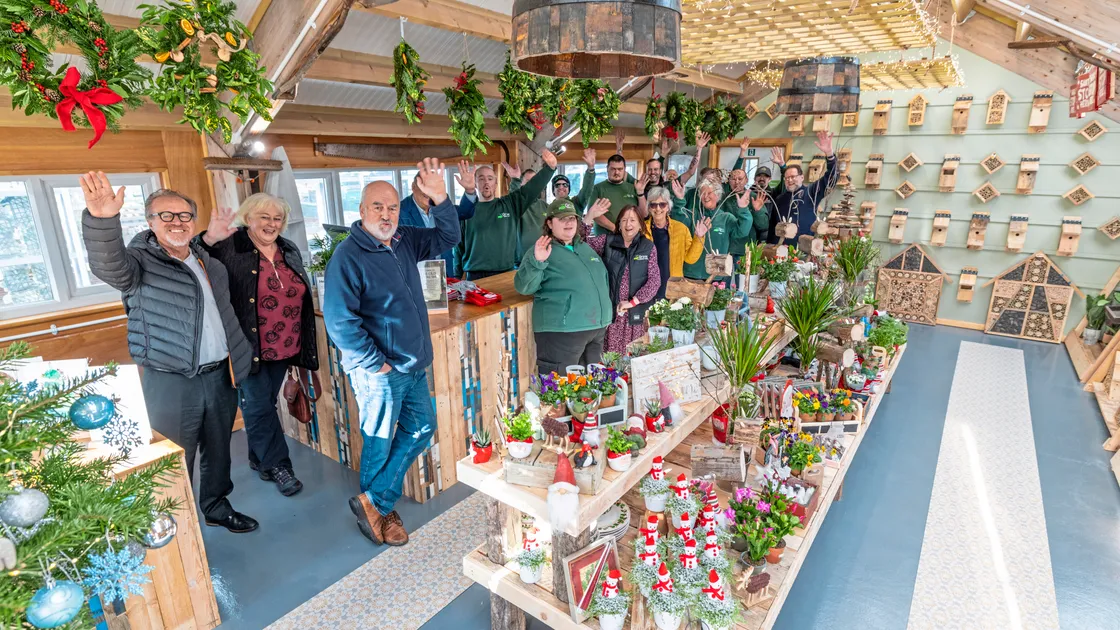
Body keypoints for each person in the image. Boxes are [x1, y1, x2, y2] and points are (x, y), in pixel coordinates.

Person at [80, 173, 257, 533]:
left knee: (219, 450)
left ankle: (216, 506)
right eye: (166, 215)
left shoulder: (209, 263)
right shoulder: (139, 263)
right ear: (150, 222)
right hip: (171, 380)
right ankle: (171, 525)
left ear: (193, 220)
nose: (177, 222)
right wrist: (102, 220)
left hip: (220, 375)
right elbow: (108, 265)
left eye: (184, 215)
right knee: (172, 458)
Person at [323, 158, 460, 547]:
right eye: (378, 207)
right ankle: (381, 514)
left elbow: (449, 236)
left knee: (422, 427)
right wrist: (375, 364)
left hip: (414, 364)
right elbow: (340, 321)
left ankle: (375, 502)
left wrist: (441, 198)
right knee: (379, 440)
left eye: (393, 207)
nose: (386, 214)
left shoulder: (404, 239)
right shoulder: (348, 256)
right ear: (362, 210)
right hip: (380, 372)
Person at [198, 193, 319, 497]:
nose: (271, 223)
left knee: (262, 404)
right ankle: (279, 466)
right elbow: (196, 256)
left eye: (277, 218)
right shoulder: (230, 245)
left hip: (285, 345)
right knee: (258, 405)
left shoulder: (288, 248)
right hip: (246, 346)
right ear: (248, 218)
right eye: (264, 217)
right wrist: (208, 238)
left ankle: (258, 458)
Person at [515, 198, 612, 374]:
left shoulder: (584, 247)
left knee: (591, 386)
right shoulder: (541, 249)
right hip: (562, 331)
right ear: (549, 223)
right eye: (562, 218)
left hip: (596, 330)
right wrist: (538, 262)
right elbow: (524, 287)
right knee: (560, 386)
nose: (569, 222)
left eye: (572, 218)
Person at [457, 150, 557, 280]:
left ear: (496, 183)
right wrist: (456, 277)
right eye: (481, 179)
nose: (486, 182)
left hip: (505, 273)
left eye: (490, 178)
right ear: (475, 183)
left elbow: (530, 189)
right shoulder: (466, 211)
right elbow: (458, 247)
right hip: (475, 275)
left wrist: (550, 169)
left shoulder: (509, 205)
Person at [581, 201, 662, 352]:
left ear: (640, 225)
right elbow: (581, 243)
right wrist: (589, 217)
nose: (628, 224)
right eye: (624, 220)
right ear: (618, 225)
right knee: (609, 358)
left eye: (632, 220)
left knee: (632, 356)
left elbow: (654, 281)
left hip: (634, 315)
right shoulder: (607, 242)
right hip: (611, 313)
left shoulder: (648, 247)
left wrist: (632, 302)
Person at [674, 179, 764, 282]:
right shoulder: (693, 215)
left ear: (717, 196)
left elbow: (742, 231)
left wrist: (743, 209)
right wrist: (679, 199)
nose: (705, 197)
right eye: (703, 193)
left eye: (709, 193)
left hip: (715, 275)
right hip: (690, 273)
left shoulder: (726, 218)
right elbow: (678, 221)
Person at [399, 160, 477, 277]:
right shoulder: (400, 211)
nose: (428, 190)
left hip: (445, 273)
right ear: (413, 187)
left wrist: (469, 190)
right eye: (424, 185)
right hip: (416, 275)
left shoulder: (440, 206)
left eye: (432, 186)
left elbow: (464, 213)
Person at [767, 131, 837, 244]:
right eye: (787, 178)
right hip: (781, 251)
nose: (789, 180)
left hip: (805, 249)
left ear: (802, 177)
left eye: (793, 177)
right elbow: (772, 228)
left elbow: (831, 179)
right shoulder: (779, 199)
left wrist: (830, 154)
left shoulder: (811, 192)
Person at [644, 186, 708, 300]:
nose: (658, 209)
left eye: (662, 204)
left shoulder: (681, 229)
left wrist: (699, 238)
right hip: (646, 287)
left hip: (673, 287)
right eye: (653, 205)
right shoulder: (642, 229)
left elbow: (690, 259)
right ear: (649, 208)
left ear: (668, 207)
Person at [582, 149, 639, 234]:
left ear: (624, 169)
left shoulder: (633, 188)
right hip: (605, 238)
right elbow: (593, 214)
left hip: (630, 236)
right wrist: (615, 229)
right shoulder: (597, 188)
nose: (616, 172)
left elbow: (642, 213)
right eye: (613, 169)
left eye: (620, 169)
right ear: (607, 169)